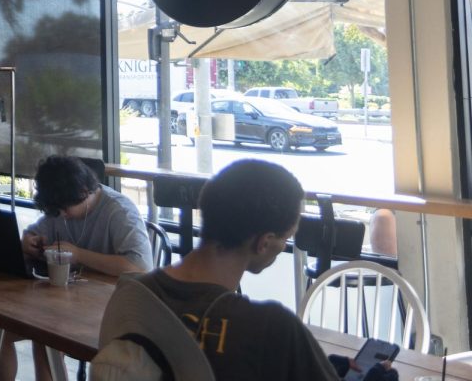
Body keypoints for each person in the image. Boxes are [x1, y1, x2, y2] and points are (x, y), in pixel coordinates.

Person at [137, 160, 396, 381]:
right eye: (286, 238)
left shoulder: (138, 294)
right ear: (264, 243)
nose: (284, 245)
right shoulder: (272, 327)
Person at [0, 155, 153, 381]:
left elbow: (139, 267)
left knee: (46, 333)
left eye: (64, 209)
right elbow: (34, 231)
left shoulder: (119, 211)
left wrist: (79, 255)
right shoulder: (60, 207)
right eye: (55, 210)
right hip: (67, 303)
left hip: (114, 308)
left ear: (83, 192)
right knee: (0, 327)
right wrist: (28, 242)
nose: (61, 215)